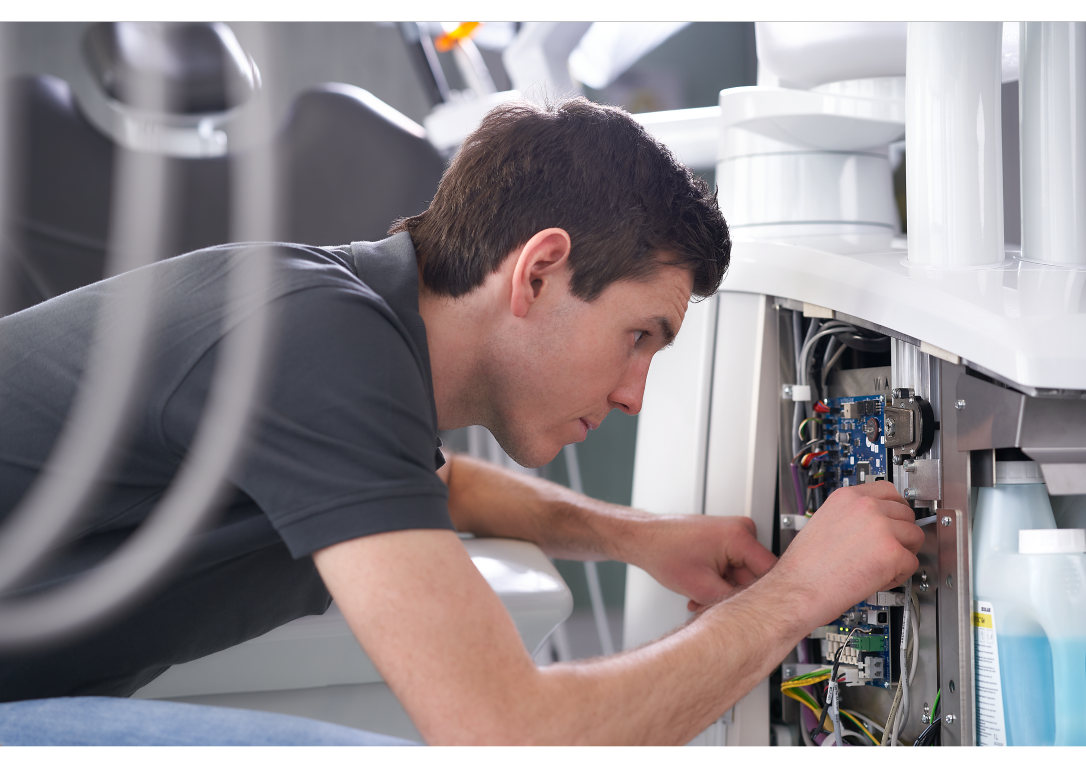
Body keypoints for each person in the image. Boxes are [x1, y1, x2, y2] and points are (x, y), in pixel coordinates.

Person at [0, 97, 923, 745]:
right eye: (639, 336)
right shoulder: (313, 340)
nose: (635, 394)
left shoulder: (342, 332)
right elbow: (507, 736)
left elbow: (440, 485)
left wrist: (639, 538)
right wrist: (801, 592)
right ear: (537, 271)